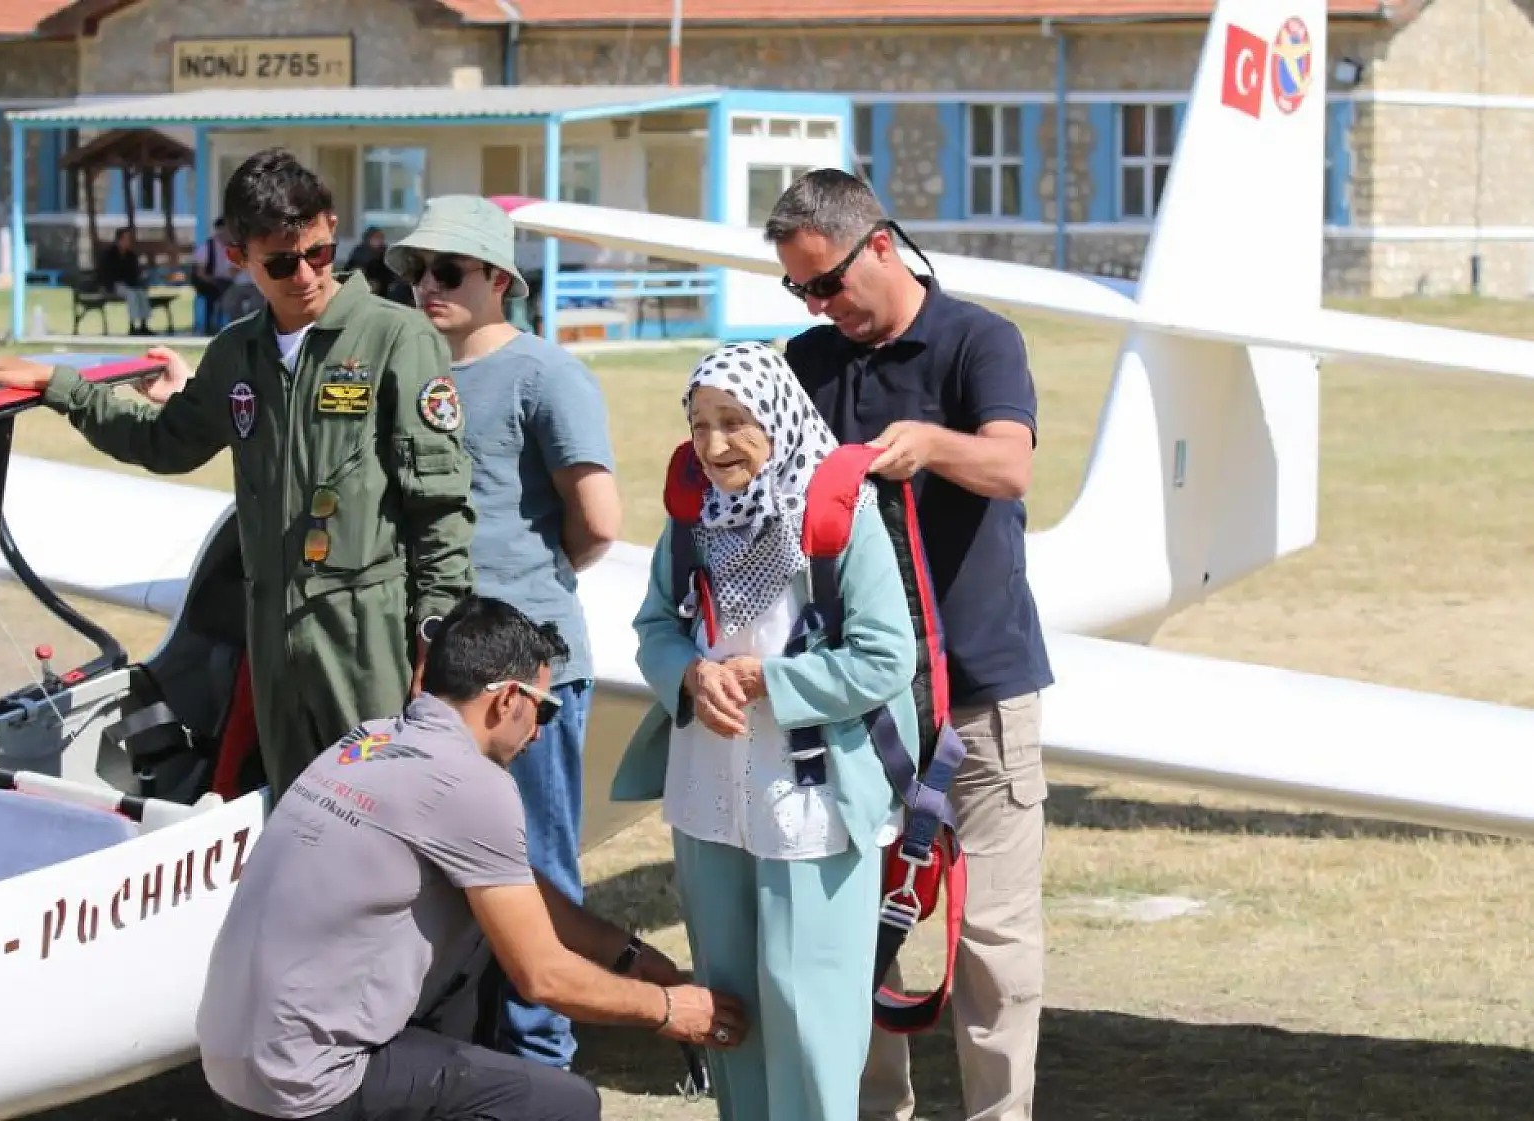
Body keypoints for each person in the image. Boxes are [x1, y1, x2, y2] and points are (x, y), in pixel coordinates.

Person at [0, 148, 475, 803]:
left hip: (366, 633)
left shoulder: (394, 340)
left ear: (330, 227)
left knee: (388, 810)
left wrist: (435, 635)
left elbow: (438, 507)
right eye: (281, 262)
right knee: (301, 815)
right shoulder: (237, 354)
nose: (306, 276)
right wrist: (64, 388)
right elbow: (165, 441)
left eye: (319, 253)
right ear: (239, 258)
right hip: (272, 634)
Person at [196, 594, 749, 1121]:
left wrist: (625, 953)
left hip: (229, 1061)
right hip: (305, 1087)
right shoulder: (472, 784)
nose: (538, 732)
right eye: (545, 708)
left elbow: (512, 885)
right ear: (508, 699)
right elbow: (543, 978)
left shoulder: (368, 740)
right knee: (564, 1105)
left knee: (482, 931)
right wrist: (671, 1010)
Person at [763, 168, 1053, 1121]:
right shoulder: (806, 362)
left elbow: (1010, 464)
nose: (818, 304)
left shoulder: (980, 340)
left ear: (880, 245)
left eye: (828, 282)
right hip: (859, 702)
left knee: (993, 947)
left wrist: (930, 444)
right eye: (799, 289)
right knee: (854, 931)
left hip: (978, 696)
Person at [615, 340, 920, 1121]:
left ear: (778, 420)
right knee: (731, 1003)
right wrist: (687, 670)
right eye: (700, 423)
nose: (713, 446)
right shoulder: (691, 519)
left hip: (812, 804)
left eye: (735, 422)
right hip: (710, 795)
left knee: (809, 1009)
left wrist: (771, 683)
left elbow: (886, 657)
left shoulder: (841, 520)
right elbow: (654, 625)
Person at [384, 195, 623, 1072]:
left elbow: (596, 520)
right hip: (440, 679)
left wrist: (521, 594)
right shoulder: (414, 370)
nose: (427, 287)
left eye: (447, 272)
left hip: (526, 677)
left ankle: (538, 1068)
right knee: (448, 873)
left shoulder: (546, 376)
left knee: (537, 871)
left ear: (497, 280)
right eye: (415, 271)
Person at [100, 226, 153, 335]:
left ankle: (144, 324)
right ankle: (132, 325)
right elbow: (107, 274)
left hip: (130, 284)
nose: (128, 242)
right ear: (119, 239)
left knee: (142, 293)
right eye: (125, 239)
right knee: (131, 294)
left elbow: (134, 273)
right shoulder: (109, 254)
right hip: (114, 285)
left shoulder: (131, 255)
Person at [192, 217, 238, 333]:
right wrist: (214, 281)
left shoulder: (232, 247)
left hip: (226, 280)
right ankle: (210, 326)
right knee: (212, 294)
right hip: (207, 281)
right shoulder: (207, 247)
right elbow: (200, 273)